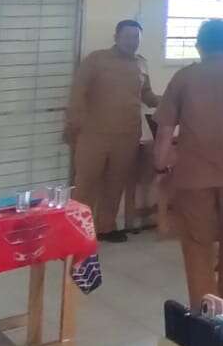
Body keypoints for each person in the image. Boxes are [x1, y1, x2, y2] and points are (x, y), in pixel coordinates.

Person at [154, 19, 223, 303]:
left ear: (199, 45)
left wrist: (160, 163)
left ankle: (204, 303)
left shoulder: (184, 77)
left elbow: (166, 129)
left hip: (194, 173)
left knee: (197, 241)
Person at [65, 19, 160, 242]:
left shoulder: (141, 64)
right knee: (86, 184)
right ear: (116, 37)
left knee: (115, 184)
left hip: (127, 136)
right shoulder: (96, 60)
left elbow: (147, 95)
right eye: (127, 36)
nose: (132, 41)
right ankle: (77, 232)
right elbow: (78, 93)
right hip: (93, 135)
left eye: (136, 37)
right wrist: (74, 126)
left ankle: (106, 227)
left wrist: (170, 100)